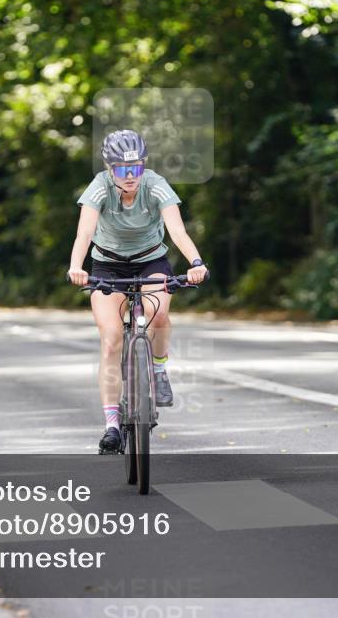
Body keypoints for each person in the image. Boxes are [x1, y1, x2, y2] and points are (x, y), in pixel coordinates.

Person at [67, 129, 209, 454]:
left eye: (136, 168)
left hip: (150, 261)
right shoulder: (99, 188)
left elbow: (177, 230)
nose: (130, 177)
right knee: (112, 339)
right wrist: (77, 267)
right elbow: (84, 232)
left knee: (158, 313)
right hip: (108, 266)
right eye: (122, 170)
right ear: (109, 168)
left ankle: (158, 369)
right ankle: (112, 426)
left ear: (144, 165)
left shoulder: (155, 184)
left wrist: (197, 262)